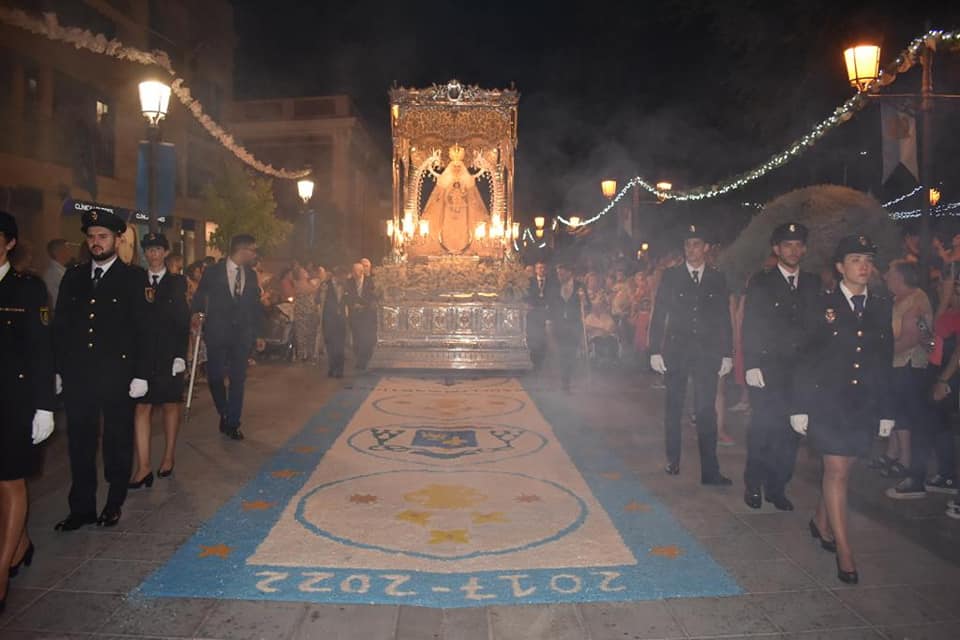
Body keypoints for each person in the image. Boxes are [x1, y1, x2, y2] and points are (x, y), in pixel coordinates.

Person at [791, 234, 894, 584]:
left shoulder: (880, 304)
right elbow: (805, 357)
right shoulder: (822, 305)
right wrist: (800, 405)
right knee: (835, 469)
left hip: (863, 402)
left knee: (844, 470)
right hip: (828, 401)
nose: (863, 266)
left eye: (868, 260)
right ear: (839, 267)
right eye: (855, 259)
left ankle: (820, 521)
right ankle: (845, 551)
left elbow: (884, 359)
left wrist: (886, 409)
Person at [52, 208, 151, 530]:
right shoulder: (74, 276)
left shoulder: (133, 278)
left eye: (103, 236)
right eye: (92, 236)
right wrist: (57, 368)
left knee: (116, 439)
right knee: (79, 441)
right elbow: (61, 326)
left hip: (117, 373)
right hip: (79, 373)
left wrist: (141, 373)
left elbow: (144, 329)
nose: (96, 242)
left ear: (117, 239)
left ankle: (113, 501)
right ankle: (81, 508)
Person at [0, 211, 55, 615]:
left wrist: (44, 406)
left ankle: (1, 570)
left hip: (14, 400)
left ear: (9, 243)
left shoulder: (27, 288)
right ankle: (20, 545)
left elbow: (41, 349)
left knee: (9, 480)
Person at [648, 224, 733, 485]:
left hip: (707, 352)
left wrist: (727, 353)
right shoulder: (672, 276)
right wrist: (655, 350)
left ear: (706, 248)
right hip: (677, 350)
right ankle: (673, 459)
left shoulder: (717, 277)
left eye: (696, 244)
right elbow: (660, 312)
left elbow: (723, 317)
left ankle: (710, 470)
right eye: (687, 244)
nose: (691, 249)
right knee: (674, 406)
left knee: (706, 411)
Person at [741, 223, 817, 511]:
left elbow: (816, 329)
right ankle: (753, 483)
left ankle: (777, 486)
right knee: (764, 428)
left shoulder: (812, 282)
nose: (794, 250)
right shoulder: (762, 281)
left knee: (791, 433)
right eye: (787, 245)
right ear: (776, 249)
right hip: (769, 369)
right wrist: (752, 364)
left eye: (798, 245)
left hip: (800, 371)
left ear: (804, 249)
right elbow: (751, 323)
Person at [129, 233, 190, 488]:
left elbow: (182, 320)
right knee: (141, 407)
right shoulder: (136, 280)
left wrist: (180, 355)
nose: (153, 254)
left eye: (157, 249)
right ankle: (143, 466)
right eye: (149, 249)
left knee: (169, 404)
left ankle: (168, 456)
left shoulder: (176, 282)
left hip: (168, 353)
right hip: (142, 355)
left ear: (165, 253)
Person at [191, 234, 265, 440]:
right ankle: (224, 411)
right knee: (215, 376)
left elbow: (255, 306)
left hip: (241, 335)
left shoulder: (251, 275)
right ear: (243, 250)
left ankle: (233, 422)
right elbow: (200, 296)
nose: (255, 255)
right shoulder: (213, 272)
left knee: (238, 379)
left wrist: (258, 334)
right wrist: (196, 313)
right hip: (217, 333)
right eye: (253, 250)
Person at [882, 260, 935, 499]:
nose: (885, 277)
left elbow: (912, 338)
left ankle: (913, 470)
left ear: (900, 277)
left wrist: (880, 356)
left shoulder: (916, 300)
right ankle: (900, 460)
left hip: (910, 365)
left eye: (890, 273)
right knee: (898, 412)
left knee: (911, 416)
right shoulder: (897, 299)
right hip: (897, 365)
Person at [547, 263, 589, 393]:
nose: (559, 276)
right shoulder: (555, 286)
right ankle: (564, 380)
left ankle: (567, 379)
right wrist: (549, 323)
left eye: (562, 273)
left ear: (569, 273)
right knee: (561, 353)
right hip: (559, 325)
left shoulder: (580, 286)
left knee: (571, 353)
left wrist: (583, 299)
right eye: (558, 274)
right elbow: (551, 305)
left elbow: (588, 306)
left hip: (574, 325)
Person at [346, 262, 377, 370]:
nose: (354, 273)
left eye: (356, 271)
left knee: (365, 337)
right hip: (354, 314)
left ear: (361, 271)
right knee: (356, 338)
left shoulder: (370, 281)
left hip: (367, 314)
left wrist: (366, 305)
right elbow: (347, 296)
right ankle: (358, 359)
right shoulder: (349, 282)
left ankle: (364, 360)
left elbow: (374, 296)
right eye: (353, 271)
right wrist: (352, 304)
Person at [322, 266, 349, 378]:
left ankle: (339, 369)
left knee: (340, 345)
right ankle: (332, 367)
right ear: (337, 276)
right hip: (329, 319)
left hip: (341, 320)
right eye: (343, 277)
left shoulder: (345, 286)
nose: (345, 279)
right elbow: (319, 300)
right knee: (331, 345)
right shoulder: (326, 285)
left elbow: (348, 300)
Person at [525, 261, 552, 371]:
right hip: (533, 314)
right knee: (533, 337)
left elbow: (553, 297)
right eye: (539, 268)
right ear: (535, 270)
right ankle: (534, 361)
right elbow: (526, 295)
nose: (541, 270)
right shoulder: (529, 282)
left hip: (545, 313)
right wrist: (528, 304)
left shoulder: (551, 282)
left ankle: (541, 362)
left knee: (543, 337)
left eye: (543, 268)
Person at [292, 266, 319, 362]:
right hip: (302, 312)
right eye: (304, 272)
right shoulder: (299, 283)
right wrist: (318, 283)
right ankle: (301, 354)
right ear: (300, 275)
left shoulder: (309, 282)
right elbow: (310, 290)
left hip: (311, 311)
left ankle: (310, 354)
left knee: (311, 333)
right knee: (301, 334)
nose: (306, 272)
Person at [43, 238, 70, 309]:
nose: (69, 253)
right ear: (56, 252)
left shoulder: (61, 271)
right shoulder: (55, 273)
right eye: (66, 250)